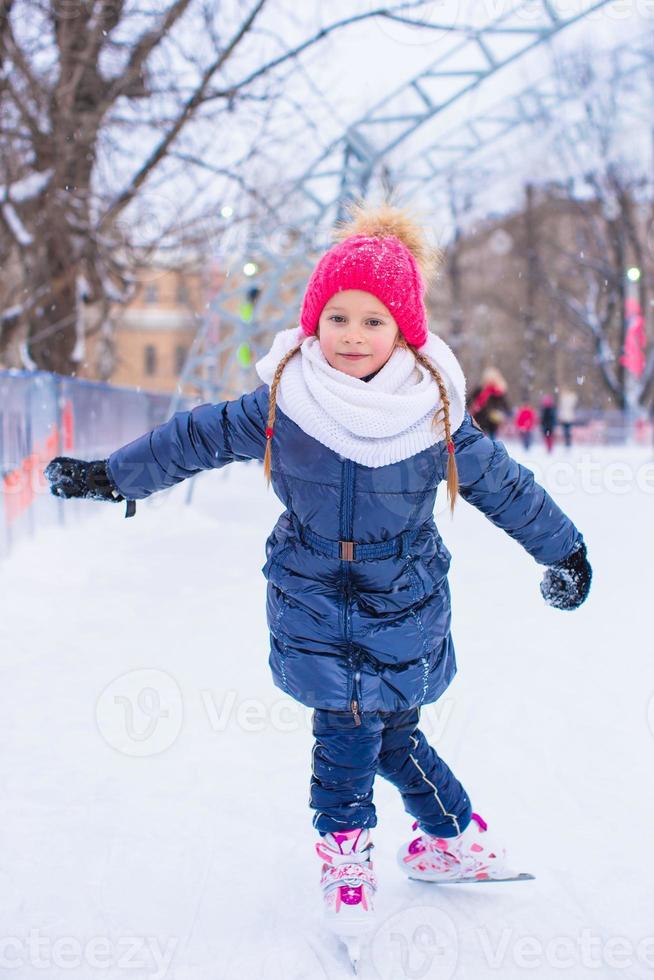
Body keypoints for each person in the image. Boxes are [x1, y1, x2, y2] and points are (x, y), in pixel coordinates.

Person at [43, 202, 592, 945]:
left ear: (402, 332)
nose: (354, 336)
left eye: (374, 321)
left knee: (380, 728)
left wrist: (563, 550)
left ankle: (393, 850)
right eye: (338, 318)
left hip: (404, 599)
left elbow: (506, 486)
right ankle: (407, 845)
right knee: (357, 723)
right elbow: (192, 438)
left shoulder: (431, 414)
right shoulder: (284, 404)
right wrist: (117, 475)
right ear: (314, 321)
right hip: (310, 599)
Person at [467, 367, 511, 440]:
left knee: (491, 438)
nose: (491, 380)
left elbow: (504, 404)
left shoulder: (499, 392)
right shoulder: (480, 389)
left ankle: (490, 449)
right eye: (489, 378)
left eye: (493, 378)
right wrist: (472, 406)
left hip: (493, 420)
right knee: (480, 438)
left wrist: (506, 412)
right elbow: (470, 400)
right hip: (480, 418)